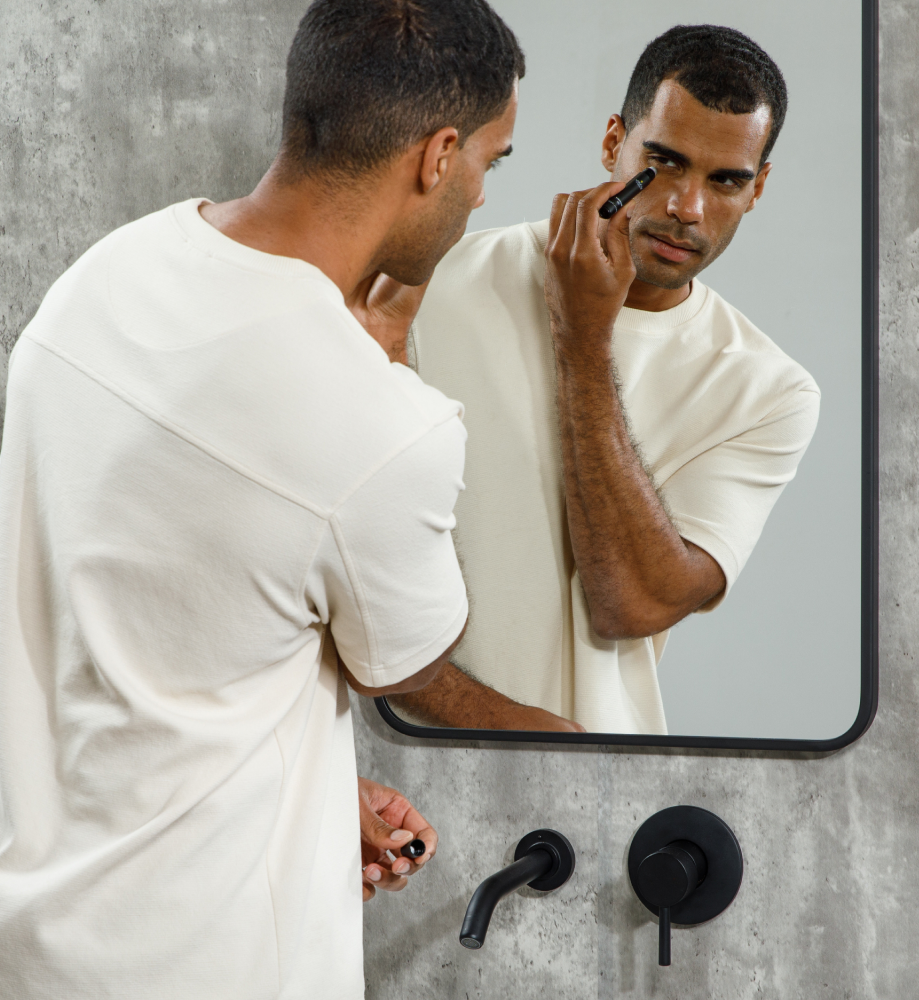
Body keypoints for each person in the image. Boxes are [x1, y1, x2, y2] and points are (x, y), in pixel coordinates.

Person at [0, 1, 522, 997]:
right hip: (212, 967)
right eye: (491, 162)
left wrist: (310, 792)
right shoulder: (380, 421)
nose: (481, 196)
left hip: (34, 949)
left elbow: (148, 630)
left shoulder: (99, 282)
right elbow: (405, 666)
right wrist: (386, 368)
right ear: (438, 155)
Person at [394, 24, 820, 735]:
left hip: (600, 777)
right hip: (394, 755)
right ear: (613, 142)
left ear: (759, 188)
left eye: (726, 181)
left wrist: (584, 337)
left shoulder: (767, 390)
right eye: (665, 162)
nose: (688, 208)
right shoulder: (428, 283)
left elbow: (634, 603)